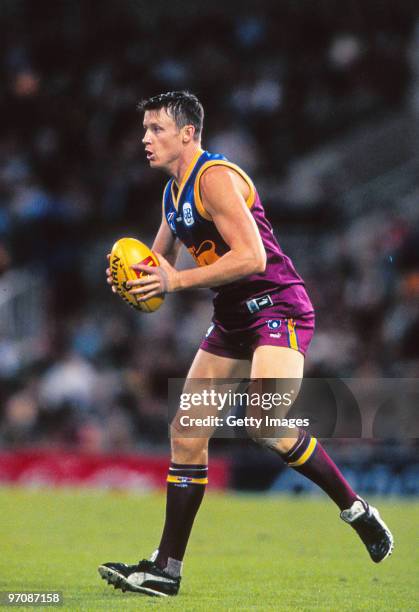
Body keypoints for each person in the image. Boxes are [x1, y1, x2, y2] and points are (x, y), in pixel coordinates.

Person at [98, 91, 393, 597]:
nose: (146, 139)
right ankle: (165, 569)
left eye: (156, 129)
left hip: (279, 307)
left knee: (265, 423)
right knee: (187, 431)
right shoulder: (173, 194)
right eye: (144, 130)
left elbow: (253, 258)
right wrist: (136, 280)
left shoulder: (215, 179)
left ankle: (357, 510)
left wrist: (173, 282)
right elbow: (155, 264)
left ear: (188, 133)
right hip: (233, 317)